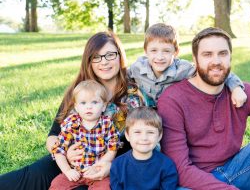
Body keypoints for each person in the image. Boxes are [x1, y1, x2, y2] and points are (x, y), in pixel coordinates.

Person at [157, 27, 250, 189]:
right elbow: (181, 170)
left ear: (230, 58)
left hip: (235, 170)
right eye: (207, 54)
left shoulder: (242, 93)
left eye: (222, 53)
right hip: (191, 183)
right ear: (195, 60)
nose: (216, 61)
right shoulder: (172, 100)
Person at [0, 31, 142, 190]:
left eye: (110, 55)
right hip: (68, 163)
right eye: (96, 57)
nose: (104, 62)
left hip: (109, 168)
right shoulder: (80, 91)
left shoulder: (135, 97)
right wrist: (65, 154)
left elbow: (143, 145)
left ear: (120, 56)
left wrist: (111, 165)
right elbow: (53, 135)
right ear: (89, 61)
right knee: (30, 176)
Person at [128, 23, 247, 108]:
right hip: (147, 120)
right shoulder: (137, 68)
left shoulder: (183, 69)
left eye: (166, 51)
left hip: (173, 115)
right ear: (145, 51)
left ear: (175, 52)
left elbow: (214, 71)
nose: (159, 57)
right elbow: (119, 78)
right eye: (153, 51)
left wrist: (236, 88)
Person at [49, 80, 120, 190]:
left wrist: (98, 166)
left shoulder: (107, 124)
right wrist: (67, 171)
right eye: (83, 103)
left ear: (104, 106)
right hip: (75, 171)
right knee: (57, 185)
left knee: (105, 187)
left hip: (97, 172)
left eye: (95, 102)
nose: (89, 107)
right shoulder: (72, 124)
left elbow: (112, 149)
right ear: (76, 107)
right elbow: (59, 151)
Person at [110, 106, 178, 190]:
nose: (144, 138)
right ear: (127, 135)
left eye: (150, 132)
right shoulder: (117, 165)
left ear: (159, 136)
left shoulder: (167, 165)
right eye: (137, 132)